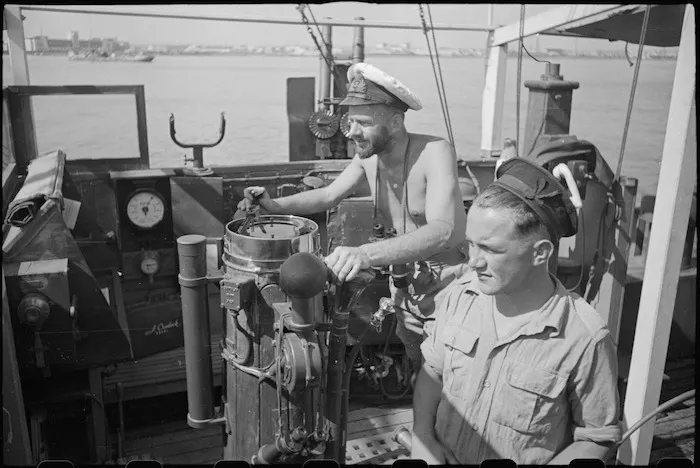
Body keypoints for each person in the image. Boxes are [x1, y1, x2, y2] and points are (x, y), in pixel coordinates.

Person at [238, 63, 469, 374]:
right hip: (404, 284)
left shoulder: (435, 151)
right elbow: (329, 195)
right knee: (420, 366)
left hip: (448, 285)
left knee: (449, 373)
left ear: (396, 121)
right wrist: (274, 205)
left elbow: (442, 230)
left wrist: (364, 254)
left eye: (363, 122)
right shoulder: (368, 158)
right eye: (350, 122)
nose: (353, 132)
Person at [411, 157, 622, 465]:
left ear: (540, 253)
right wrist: (423, 439)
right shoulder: (459, 296)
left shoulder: (584, 337)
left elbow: (595, 438)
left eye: (491, 249)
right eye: (471, 245)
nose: (473, 262)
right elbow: (432, 372)